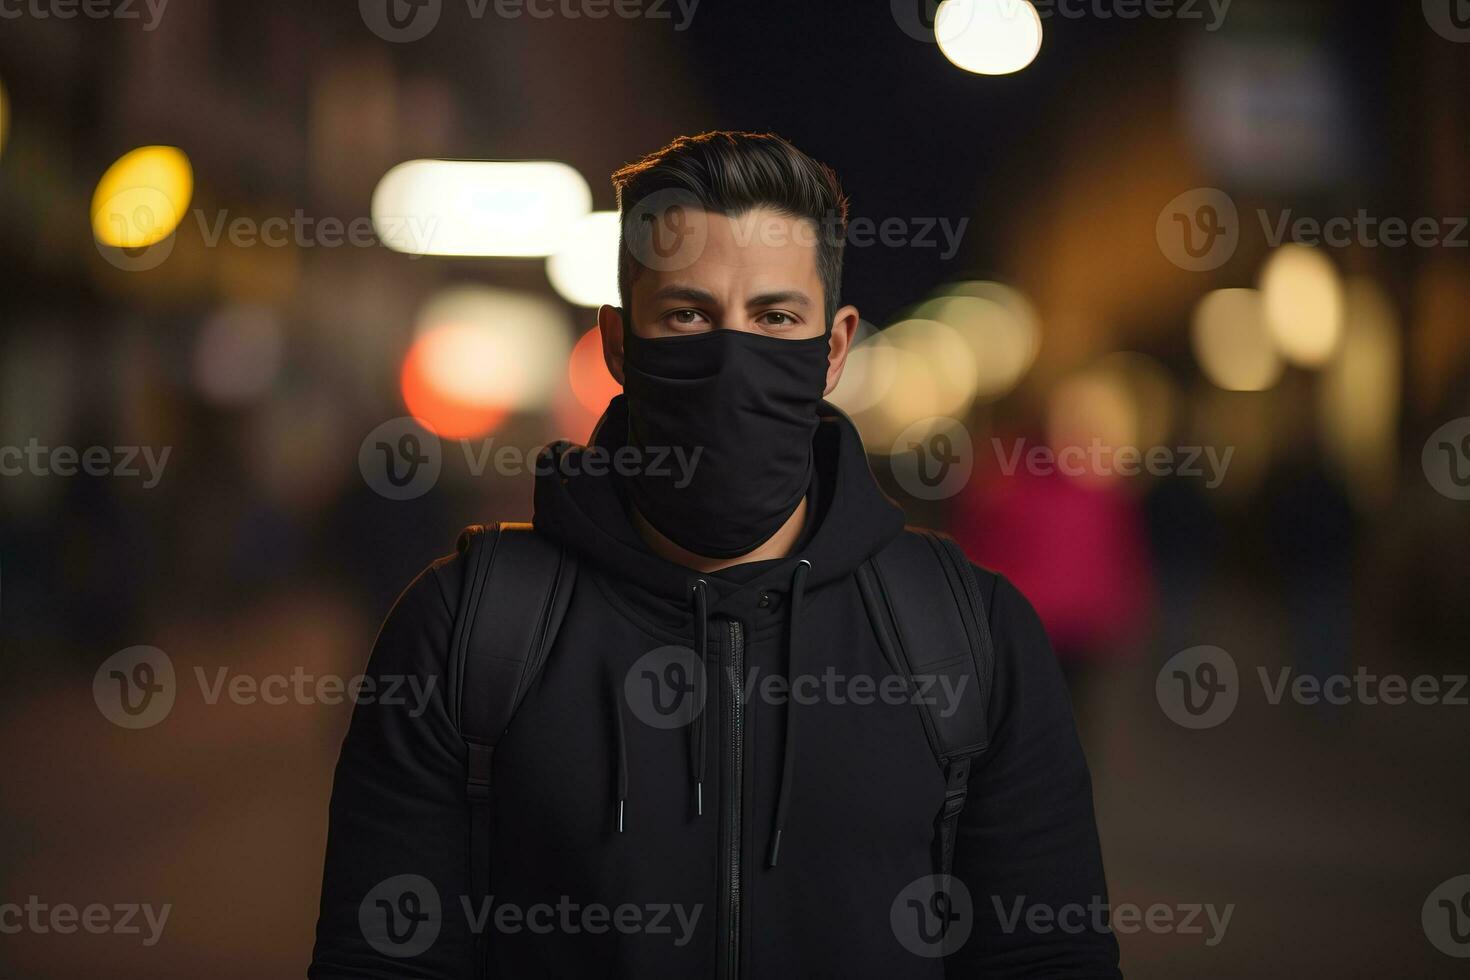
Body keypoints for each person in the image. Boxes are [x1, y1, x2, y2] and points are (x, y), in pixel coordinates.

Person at [309, 131, 1120, 978]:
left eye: (775, 318)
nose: (733, 354)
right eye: (688, 315)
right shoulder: (464, 631)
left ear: (834, 349)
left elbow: (1049, 958)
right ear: (621, 343)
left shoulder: (969, 636)